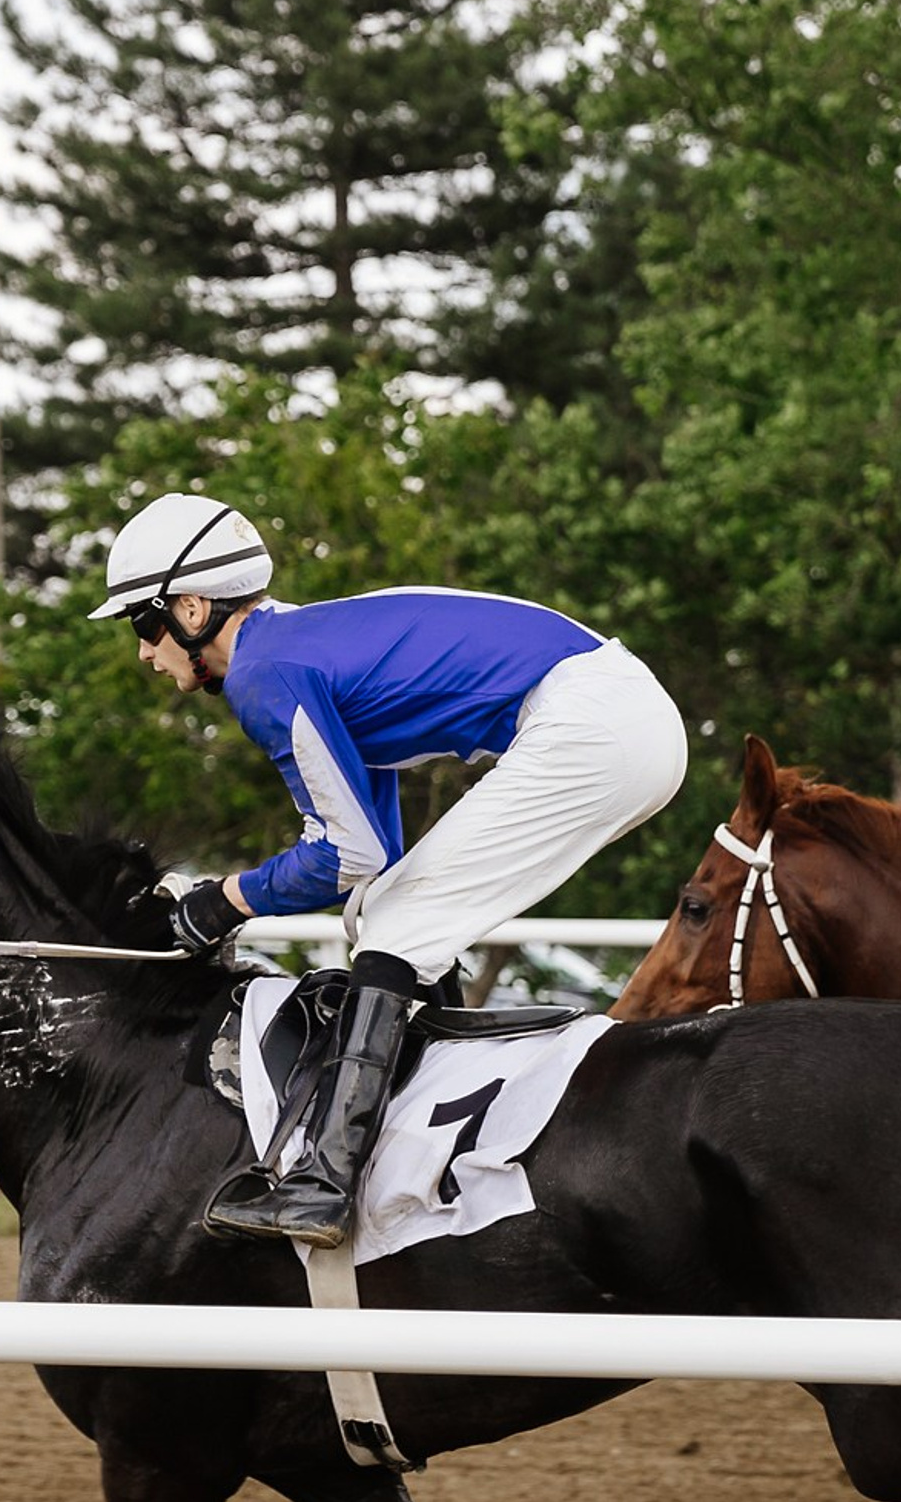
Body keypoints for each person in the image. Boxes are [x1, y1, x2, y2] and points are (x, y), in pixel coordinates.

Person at [94, 492, 688, 1247]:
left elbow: (344, 853)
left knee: (399, 921)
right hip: (616, 711)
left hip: (598, 723)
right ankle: (422, 1119)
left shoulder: (264, 671)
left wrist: (221, 902)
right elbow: (368, 855)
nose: (144, 653)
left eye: (143, 626)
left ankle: (326, 1184)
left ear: (189, 608)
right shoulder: (299, 646)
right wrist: (246, 899)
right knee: (383, 908)